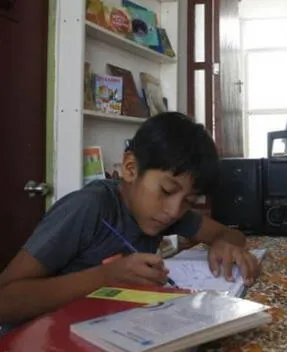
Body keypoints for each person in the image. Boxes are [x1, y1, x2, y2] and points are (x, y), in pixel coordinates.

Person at [0, 112, 260, 328]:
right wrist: (106, 277)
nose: (174, 210)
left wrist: (221, 243)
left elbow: (232, 235)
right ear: (130, 169)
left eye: (189, 201)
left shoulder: (163, 212)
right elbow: (5, 301)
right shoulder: (88, 208)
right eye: (167, 191)